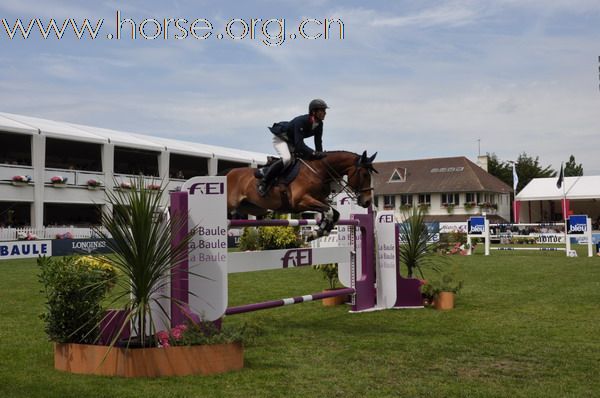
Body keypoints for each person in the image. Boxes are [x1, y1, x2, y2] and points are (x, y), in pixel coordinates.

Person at [257, 99, 329, 196]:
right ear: (314, 112)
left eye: (325, 110)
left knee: (300, 161)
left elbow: (318, 142)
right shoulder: (301, 121)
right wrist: (314, 153)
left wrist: (319, 157)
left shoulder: (319, 124)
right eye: (322, 110)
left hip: (292, 141)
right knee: (287, 159)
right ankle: (264, 182)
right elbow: (299, 145)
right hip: (281, 138)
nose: (325, 113)